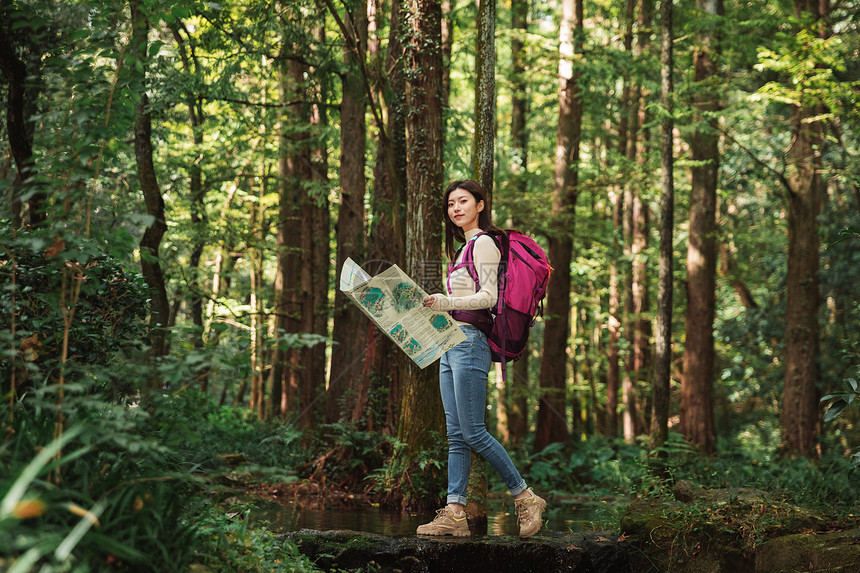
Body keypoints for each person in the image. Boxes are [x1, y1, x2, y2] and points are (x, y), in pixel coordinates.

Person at [416, 179, 547, 538]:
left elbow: (488, 298)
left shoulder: (485, 243)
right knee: (456, 434)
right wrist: (435, 309)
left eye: (463, 201)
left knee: (474, 431)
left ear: (480, 205)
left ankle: (525, 497)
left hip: (471, 343)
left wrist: (446, 301)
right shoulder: (461, 250)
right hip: (449, 342)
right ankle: (455, 513)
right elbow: (461, 301)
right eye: (450, 204)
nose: (456, 208)